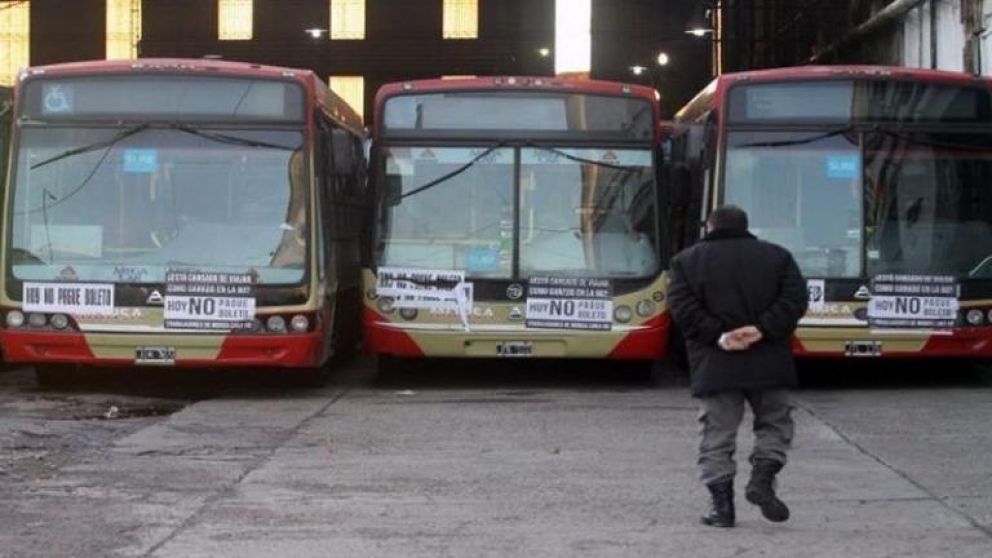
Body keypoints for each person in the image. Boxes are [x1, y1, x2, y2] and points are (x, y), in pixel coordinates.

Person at [666, 205, 808, 528]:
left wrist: (720, 335)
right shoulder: (778, 257)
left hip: (716, 365)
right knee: (775, 423)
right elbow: (795, 300)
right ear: (746, 226)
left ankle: (722, 509)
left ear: (710, 226)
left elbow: (682, 309)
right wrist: (762, 329)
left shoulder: (686, 261)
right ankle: (762, 477)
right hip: (769, 360)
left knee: (717, 434)